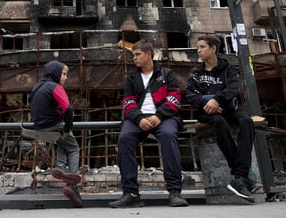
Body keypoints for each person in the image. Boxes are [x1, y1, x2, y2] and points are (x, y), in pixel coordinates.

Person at [109, 39, 189, 208]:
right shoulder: (132, 76)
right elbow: (127, 102)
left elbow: (175, 98)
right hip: (138, 118)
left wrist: (159, 116)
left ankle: (174, 192)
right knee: (124, 139)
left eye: (137, 55)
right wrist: (139, 119)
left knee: (168, 135)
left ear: (148, 55)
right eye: (133, 55)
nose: (134, 58)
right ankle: (130, 193)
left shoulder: (167, 74)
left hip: (163, 118)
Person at [185, 34, 258, 202]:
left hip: (229, 106)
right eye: (198, 47)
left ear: (213, 49)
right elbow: (190, 95)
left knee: (247, 121)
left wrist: (216, 99)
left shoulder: (228, 68)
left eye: (202, 47)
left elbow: (234, 87)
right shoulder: (196, 72)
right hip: (207, 111)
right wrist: (206, 103)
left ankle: (239, 177)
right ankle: (241, 178)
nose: (199, 50)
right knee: (220, 123)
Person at [29, 60, 82, 208]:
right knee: (73, 148)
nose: (65, 78)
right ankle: (73, 185)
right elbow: (69, 109)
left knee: (62, 143)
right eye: (64, 74)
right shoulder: (55, 87)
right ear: (56, 73)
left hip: (39, 128)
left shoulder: (36, 86)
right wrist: (67, 129)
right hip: (54, 126)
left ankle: (59, 166)